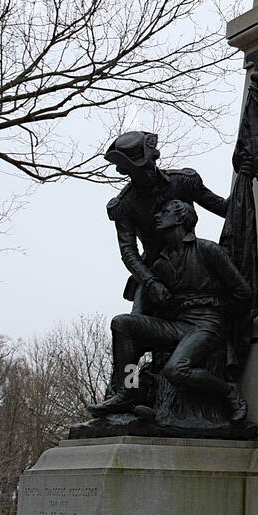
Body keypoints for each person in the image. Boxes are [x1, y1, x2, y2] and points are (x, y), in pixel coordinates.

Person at [89, 132, 228, 417]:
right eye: (130, 169)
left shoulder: (182, 182)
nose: (139, 173)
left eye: (142, 165)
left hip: (191, 269)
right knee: (129, 331)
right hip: (152, 274)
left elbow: (223, 208)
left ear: (152, 161)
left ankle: (170, 392)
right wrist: (149, 282)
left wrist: (247, 186)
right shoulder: (124, 204)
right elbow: (129, 252)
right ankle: (127, 392)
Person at [109, 200, 254, 430]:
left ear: (180, 219)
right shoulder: (160, 264)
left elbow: (242, 291)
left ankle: (229, 391)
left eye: (164, 212)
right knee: (122, 324)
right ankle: (129, 390)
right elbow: (147, 306)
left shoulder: (208, 250)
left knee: (176, 370)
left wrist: (217, 312)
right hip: (176, 325)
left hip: (207, 323)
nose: (158, 216)